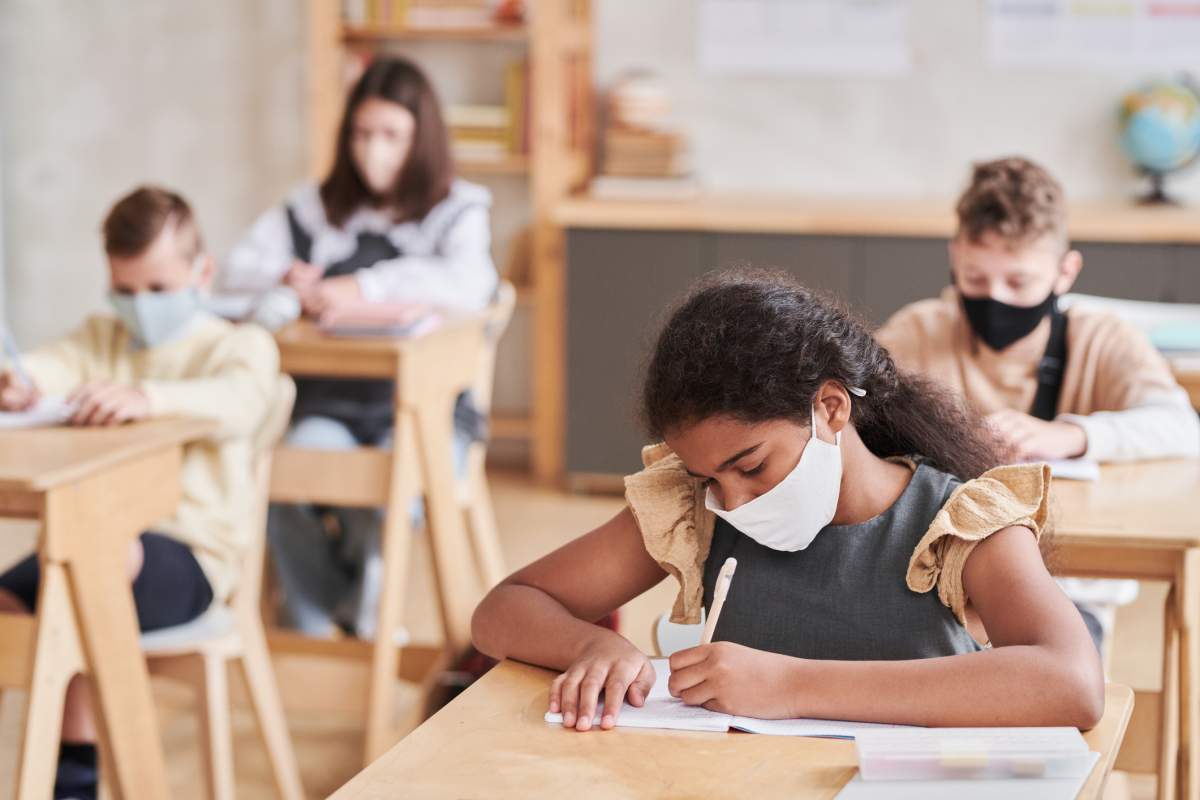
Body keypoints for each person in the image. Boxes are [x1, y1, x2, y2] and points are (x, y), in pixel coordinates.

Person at [472, 270, 1103, 732]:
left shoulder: (960, 524)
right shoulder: (694, 509)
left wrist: (791, 685)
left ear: (830, 408)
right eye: (710, 477)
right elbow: (504, 609)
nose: (733, 499)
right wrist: (590, 645)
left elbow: (1071, 683)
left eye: (750, 466)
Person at [0, 185, 279, 799]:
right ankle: (64, 770)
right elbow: (53, 364)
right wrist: (20, 383)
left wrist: (150, 397)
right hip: (91, 546)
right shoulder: (104, 337)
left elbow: (240, 402)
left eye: (157, 290)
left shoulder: (237, 346)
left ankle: (74, 781)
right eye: (124, 291)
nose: (139, 306)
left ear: (201, 272)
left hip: (194, 559)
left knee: (88, 576)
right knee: (27, 602)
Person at [218, 56, 497, 638]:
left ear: (421, 138)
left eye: (391, 135)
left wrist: (364, 284)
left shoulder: (459, 210)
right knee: (285, 477)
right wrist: (285, 276)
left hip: (428, 411)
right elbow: (231, 274)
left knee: (390, 488)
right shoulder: (312, 209)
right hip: (330, 404)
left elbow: (469, 286)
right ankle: (322, 619)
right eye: (362, 133)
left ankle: (368, 613)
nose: (374, 149)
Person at [876, 156, 1200, 647]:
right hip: (936, 591)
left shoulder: (1102, 338)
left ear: (1065, 272)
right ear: (954, 258)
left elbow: (1181, 428)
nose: (996, 298)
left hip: (1070, 594)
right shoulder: (919, 331)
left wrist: (1072, 435)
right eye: (976, 280)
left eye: (1019, 282)